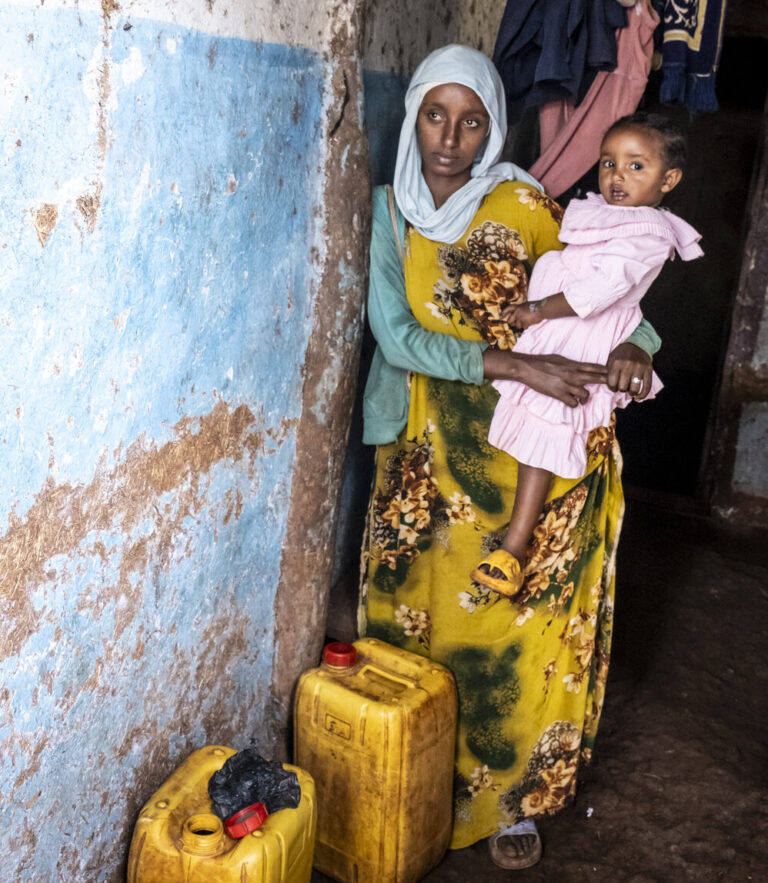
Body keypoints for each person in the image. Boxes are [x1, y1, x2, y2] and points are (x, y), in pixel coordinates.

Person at [358, 44, 661, 870]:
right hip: (424, 462)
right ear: (414, 115)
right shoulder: (392, 211)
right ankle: (397, 787)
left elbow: (609, 284)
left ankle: (509, 801)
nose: (450, 138)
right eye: (434, 115)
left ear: (494, 127)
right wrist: (518, 360)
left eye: (472, 120)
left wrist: (639, 345)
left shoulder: (526, 201)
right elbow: (400, 336)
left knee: (516, 633)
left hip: (527, 449)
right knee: (418, 630)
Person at [471, 113, 703, 598]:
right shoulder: (603, 213)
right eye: (608, 163)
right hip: (562, 332)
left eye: (636, 166)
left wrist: (536, 309)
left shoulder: (648, 233)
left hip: (581, 336)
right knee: (533, 428)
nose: (617, 176)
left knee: (544, 430)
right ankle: (511, 543)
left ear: (670, 179)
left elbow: (597, 293)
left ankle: (512, 548)